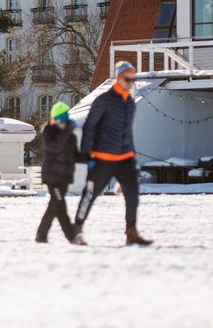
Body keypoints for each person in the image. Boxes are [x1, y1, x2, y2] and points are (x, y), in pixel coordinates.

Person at [73, 61, 152, 246]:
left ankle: (131, 232)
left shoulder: (130, 103)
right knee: (89, 195)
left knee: (132, 195)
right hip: (103, 159)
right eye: (127, 78)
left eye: (133, 79)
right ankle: (76, 230)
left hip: (124, 158)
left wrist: (132, 158)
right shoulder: (104, 100)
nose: (130, 82)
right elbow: (89, 126)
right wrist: (87, 154)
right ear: (117, 78)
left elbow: (127, 132)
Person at [37, 102, 88, 243]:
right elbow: (55, 147)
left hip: (64, 177)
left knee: (55, 207)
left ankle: (41, 236)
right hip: (52, 177)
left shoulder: (69, 136)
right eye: (58, 121)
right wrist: (66, 132)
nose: (60, 124)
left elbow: (75, 155)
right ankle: (71, 237)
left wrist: (90, 158)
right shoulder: (49, 132)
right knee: (59, 206)